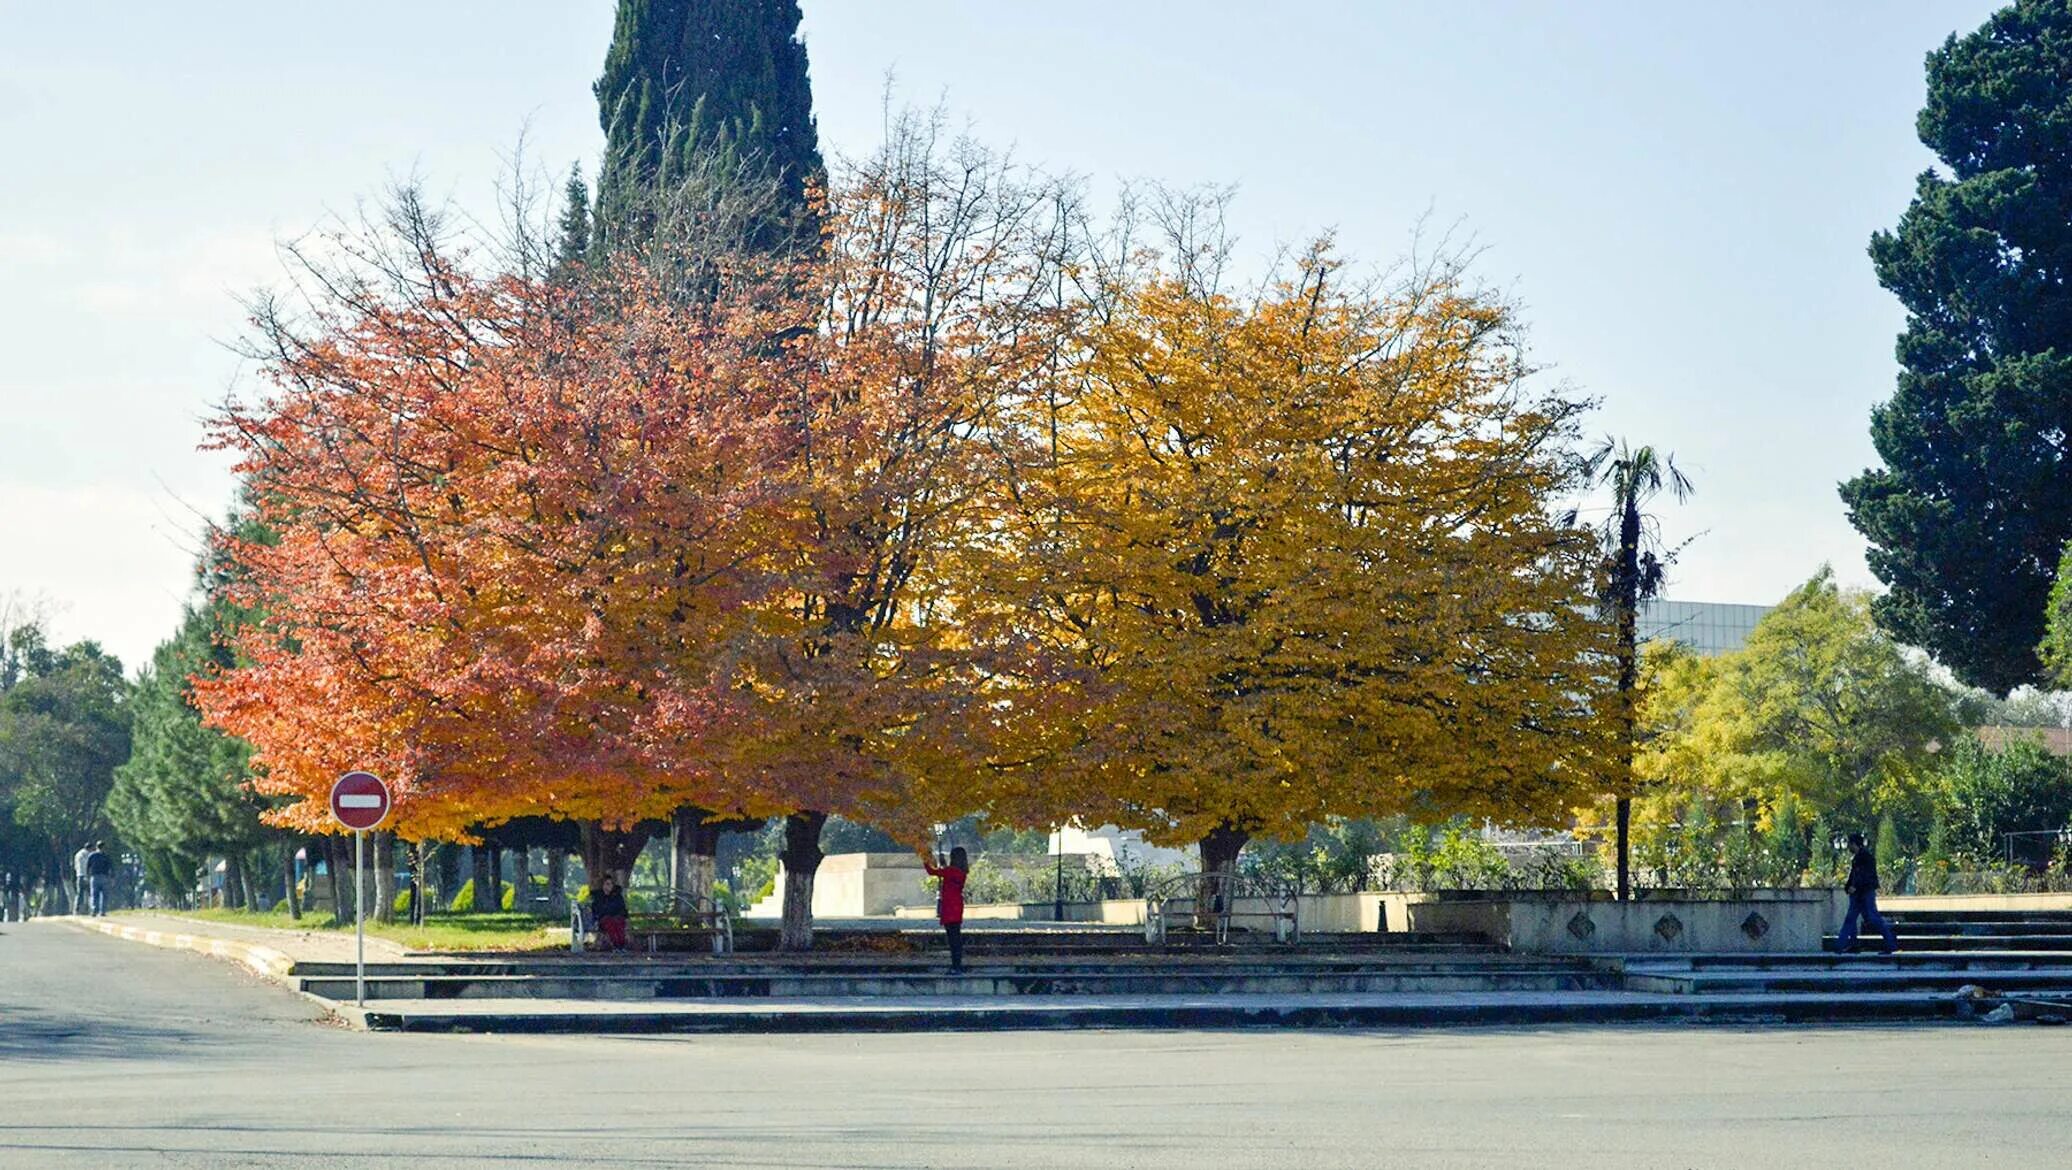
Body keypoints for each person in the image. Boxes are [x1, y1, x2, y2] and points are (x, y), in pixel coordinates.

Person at [1836, 831, 1898, 955]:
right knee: (1852, 919)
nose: (1848, 847)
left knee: (1872, 918)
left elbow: (1864, 876)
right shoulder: (1859, 857)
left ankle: (1890, 944)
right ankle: (1846, 945)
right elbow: (1854, 875)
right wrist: (1848, 886)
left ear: (1855, 844)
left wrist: (1854, 886)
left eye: (1850, 844)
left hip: (1865, 892)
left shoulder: (1865, 857)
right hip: (1859, 892)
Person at [923, 846, 969, 974]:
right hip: (957, 905)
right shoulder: (962, 872)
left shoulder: (950, 871)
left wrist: (926, 859)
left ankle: (955, 966)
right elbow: (947, 873)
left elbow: (932, 872)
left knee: (952, 938)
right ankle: (957, 965)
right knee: (956, 937)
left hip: (949, 906)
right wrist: (943, 864)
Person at [589, 873, 629, 952]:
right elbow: (597, 910)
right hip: (604, 919)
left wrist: (620, 915)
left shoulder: (617, 896)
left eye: (610, 884)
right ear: (603, 885)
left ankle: (621, 945)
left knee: (619, 923)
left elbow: (622, 908)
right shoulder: (598, 896)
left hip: (617, 917)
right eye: (606, 884)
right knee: (610, 923)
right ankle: (616, 945)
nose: (608, 886)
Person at [85, 841, 113, 917]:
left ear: (97, 847)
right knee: (104, 895)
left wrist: (87, 876)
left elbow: (87, 867)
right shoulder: (106, 856)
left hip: (94, 877)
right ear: (104, 847)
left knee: (94, 895)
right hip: (104, 877)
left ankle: (94, 911)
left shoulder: (91, 855)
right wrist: (111, 878)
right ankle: (102, 911)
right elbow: (111, 867)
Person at [72, 842, 90, 915]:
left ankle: (76, 909)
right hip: (87, 875)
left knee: (79, 894)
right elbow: (88, 865)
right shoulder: (88, 854)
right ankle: (89, 909)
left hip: (79, 875)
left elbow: (75, 866)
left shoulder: (77, 854)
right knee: (90, 893)